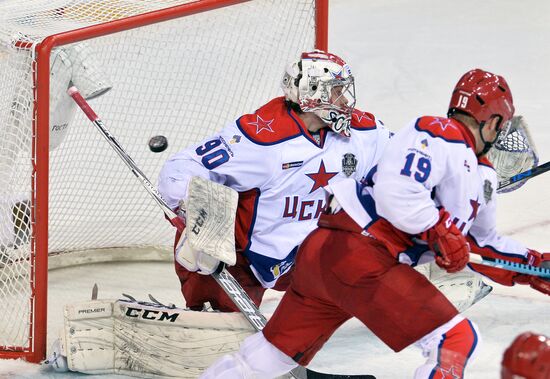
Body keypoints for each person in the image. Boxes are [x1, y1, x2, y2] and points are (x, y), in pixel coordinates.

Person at [200, 68, 550, 378]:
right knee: (454, 339)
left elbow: (482, 245)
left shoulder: (481, 174)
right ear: (492, 123)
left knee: (267, 357)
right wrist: (437, 230)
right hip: (360, 254)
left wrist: (534, 268)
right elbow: (397, 191)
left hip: (329, 259)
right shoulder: (436, 132)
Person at [158, 50, 392, 312]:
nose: (345, 100)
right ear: (314, 93)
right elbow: (182, 166)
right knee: (222, 334)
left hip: (304, 255)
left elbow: (405, 158)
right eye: (337, 91)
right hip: (241, 258)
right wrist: (194, 214)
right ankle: (208, 305)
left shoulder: (362, 133)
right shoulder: (261, 139)